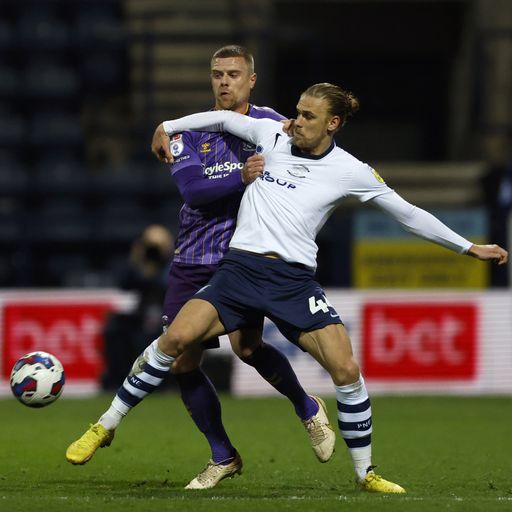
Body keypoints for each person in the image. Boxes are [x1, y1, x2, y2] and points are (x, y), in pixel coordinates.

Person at [66, 46, 335, 490]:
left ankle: (307, 408)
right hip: (192, 258)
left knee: (246, 348)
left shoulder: (274, 126)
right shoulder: (188, 132)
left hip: (241, 260)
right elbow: (193, 191)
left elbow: (311, 164)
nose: (224, 81)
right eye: (217, 74)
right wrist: (242, 177)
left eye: (233, 74)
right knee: (182, 362)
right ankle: (223, 454)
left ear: (252, 79)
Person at [101, 225, 173, 389]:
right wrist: (137, 259)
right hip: (142, 316)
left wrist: (157, 267)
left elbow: (165, 285)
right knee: (114, 327)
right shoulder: (140, 265)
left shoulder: (173, 265)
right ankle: (116, 379)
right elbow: (123, 284)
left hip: (167, 319)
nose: (153, 251)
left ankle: (163, 385)